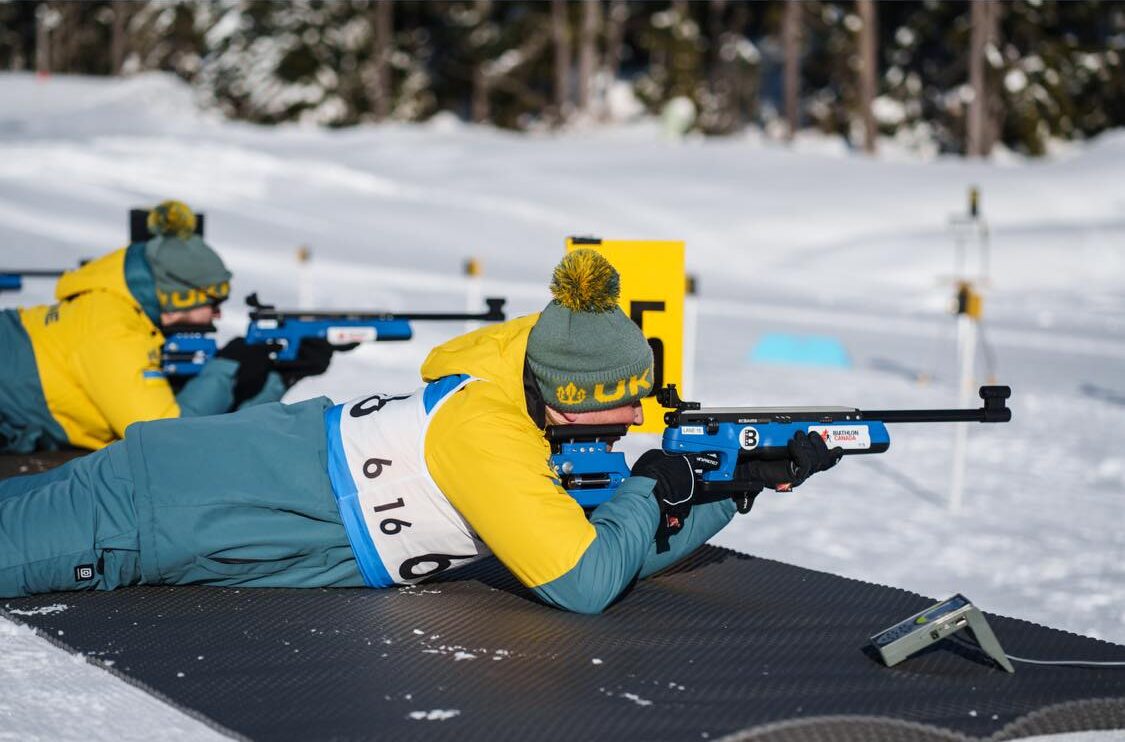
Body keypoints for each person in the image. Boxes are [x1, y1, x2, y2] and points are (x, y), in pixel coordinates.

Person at [0, 250, 841, 613]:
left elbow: (601, 555)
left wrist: (732, 490)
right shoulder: (486, 433)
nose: (636, 419)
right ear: (560, 401)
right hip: (156, 510)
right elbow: (583, 582)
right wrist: (656, 483)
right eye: (618, 407)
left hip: (190, 480)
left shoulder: (520, 393)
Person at [0, 200, 331, 454]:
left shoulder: (125, 315)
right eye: (212, 303)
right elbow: (165, 438)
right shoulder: (112, 330)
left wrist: (281, 375)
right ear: (180, 298)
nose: (217, 316)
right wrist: (227, 368)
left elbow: (213, 434)